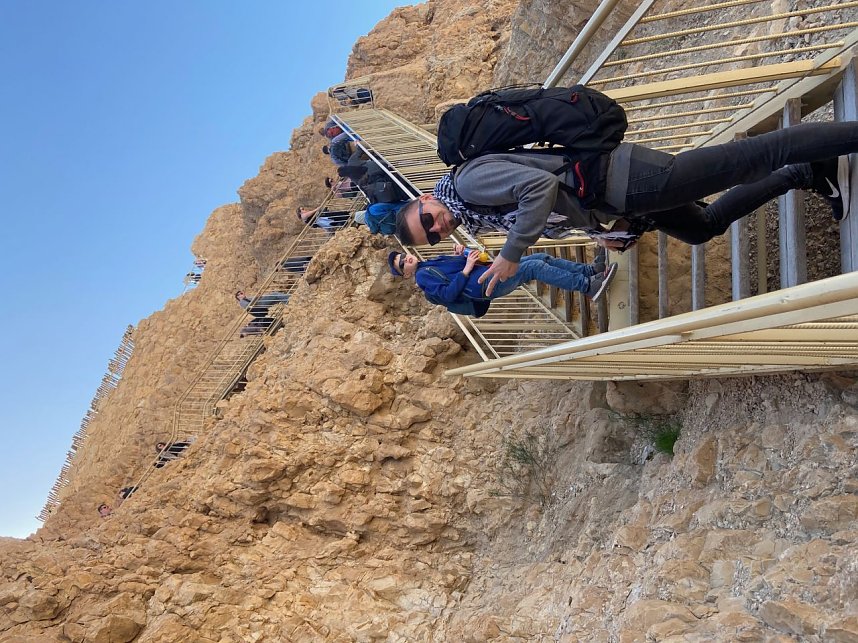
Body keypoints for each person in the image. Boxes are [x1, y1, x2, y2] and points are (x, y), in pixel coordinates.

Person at [396, 120, 858, 294]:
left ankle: (825, 152)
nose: (437, 229)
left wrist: (512, 253)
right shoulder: (473, 210)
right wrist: (601, 232)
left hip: (624, 179)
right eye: (431, 237)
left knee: (752, 157)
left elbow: (538, 186)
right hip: (617, 200)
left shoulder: (468, 184)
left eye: (427, 221)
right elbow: (555, 199)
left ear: (425, 199)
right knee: (701, 227)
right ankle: (805, 172)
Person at [388, 244, 617, 316]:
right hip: (484, 286)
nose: (406, 259)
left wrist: (462, 254)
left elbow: (462, 267)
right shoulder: (422, 276)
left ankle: (589, 270)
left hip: (487, 273)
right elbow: (448, 294)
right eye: (402, 264)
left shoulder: (429, 263)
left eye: (403, 256)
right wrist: (466, 269)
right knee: (534, 267)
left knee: (539, 258)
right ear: (406, 274)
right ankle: (588, 286)